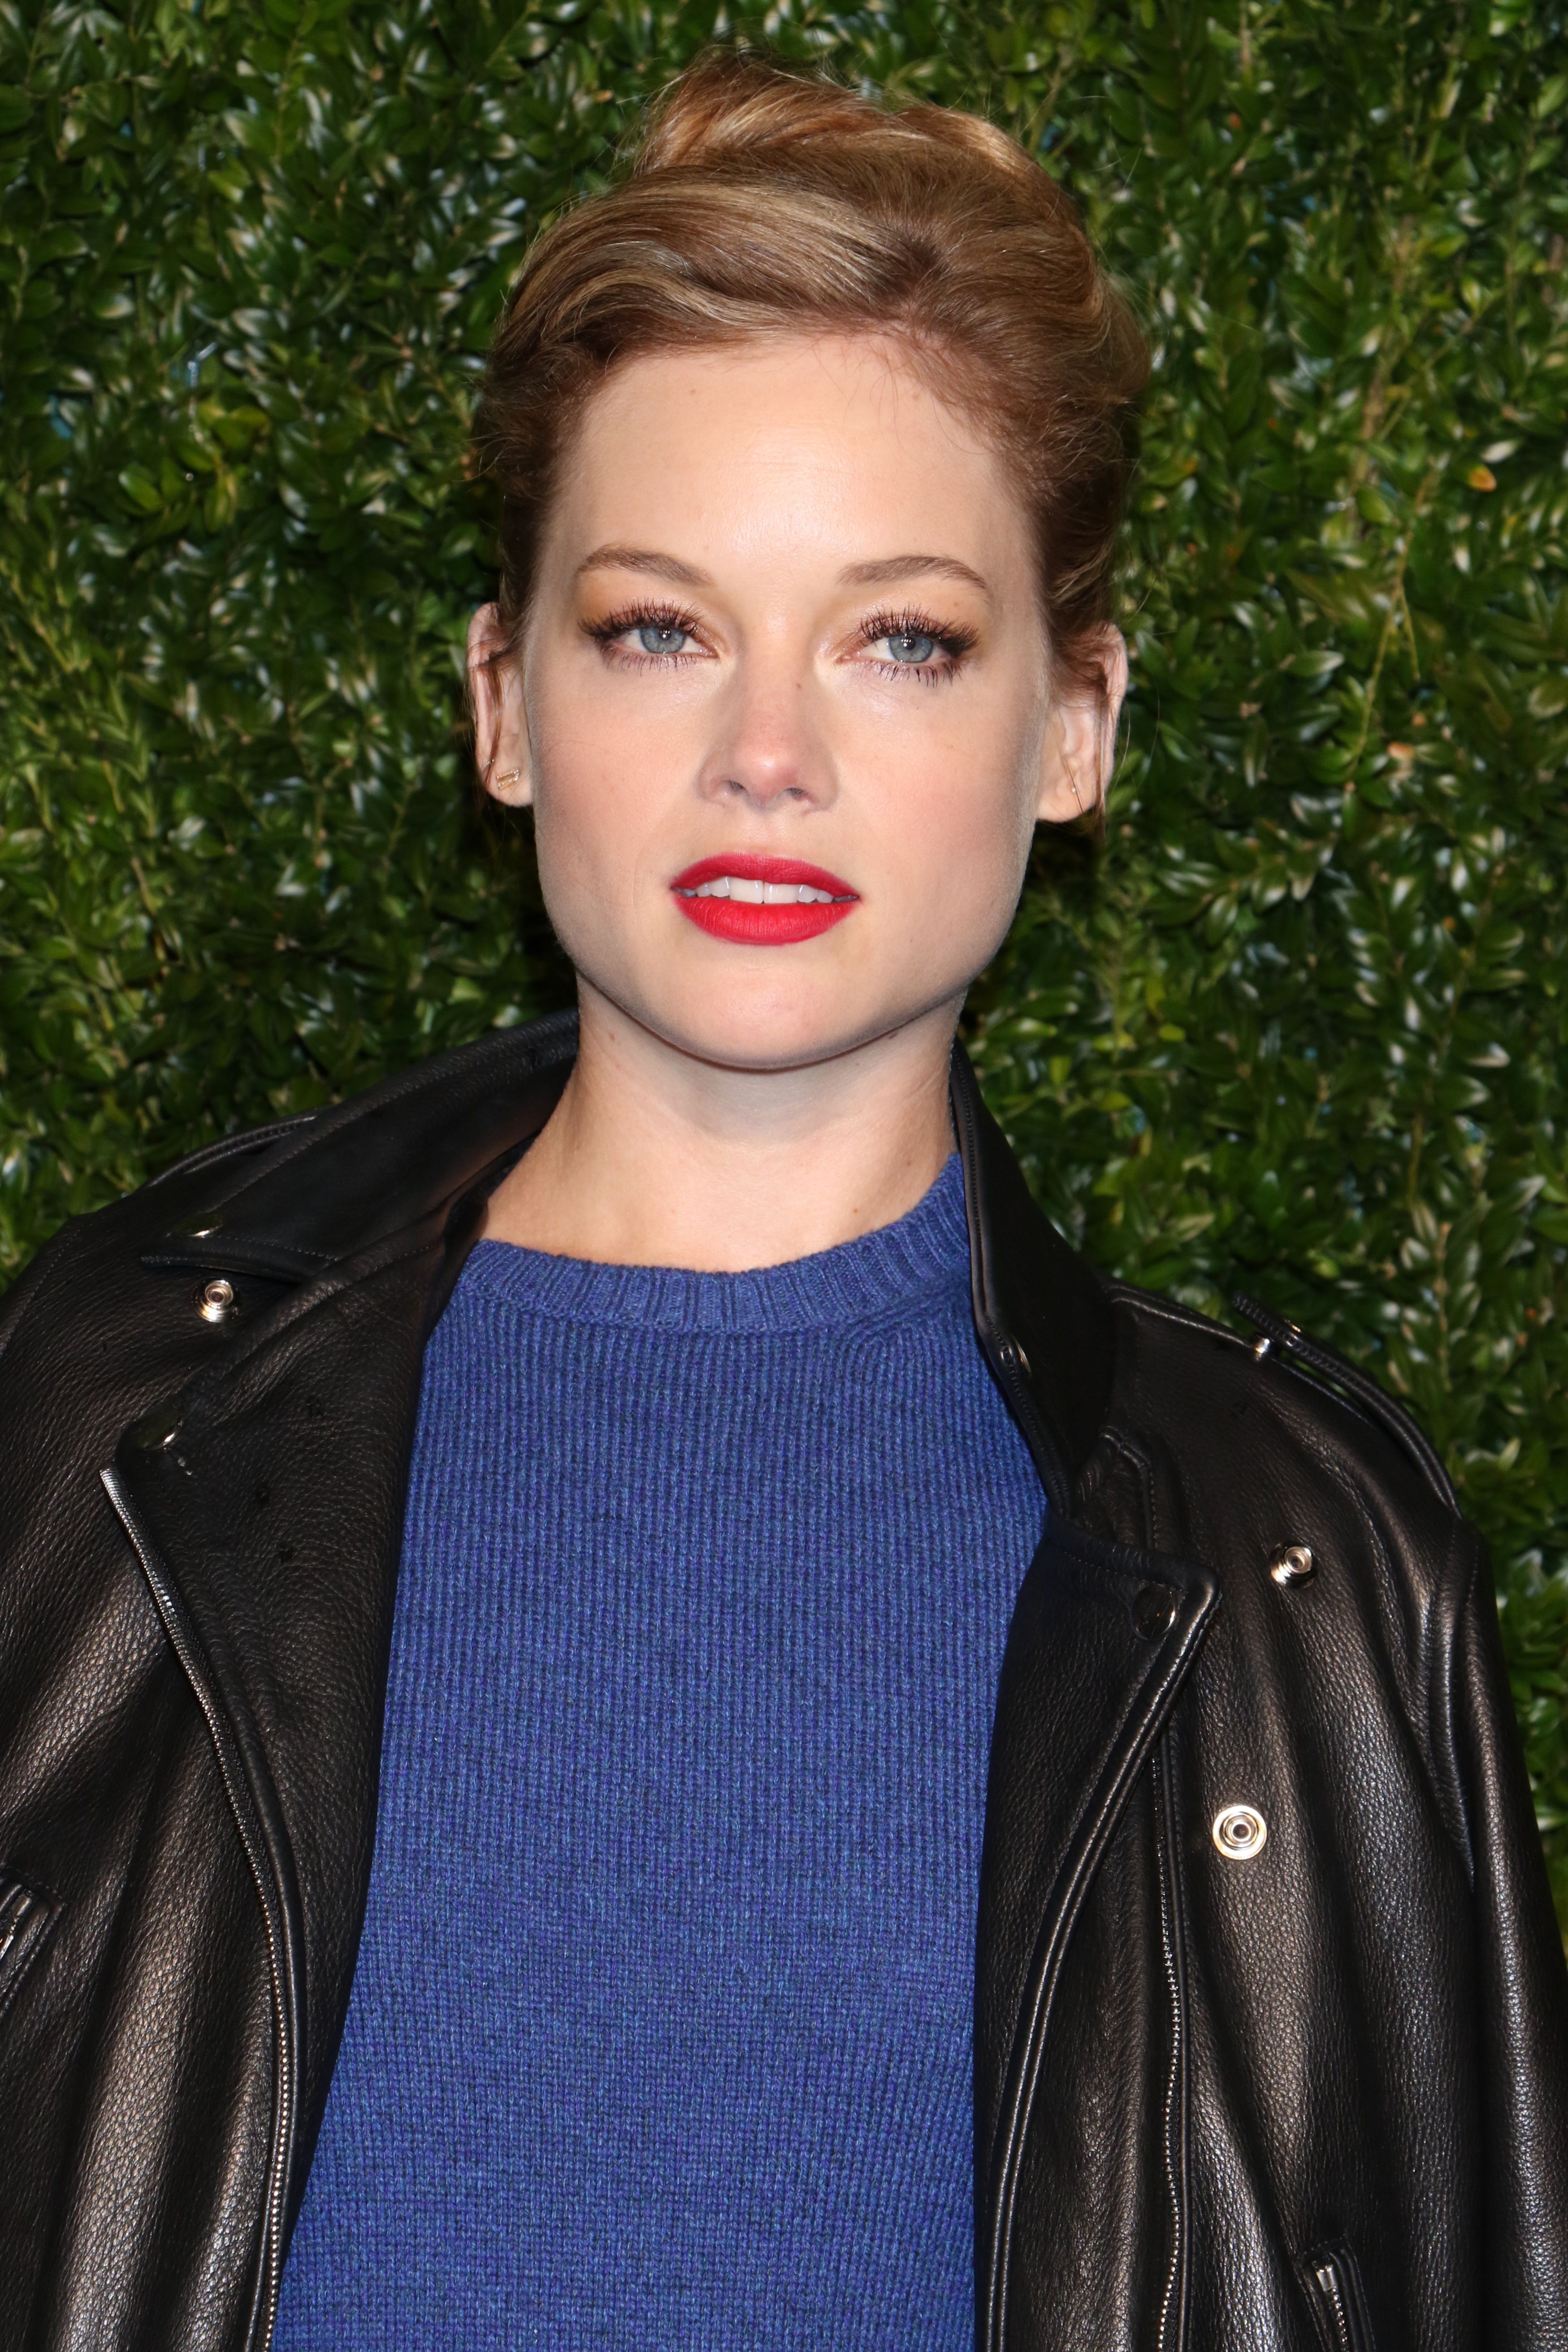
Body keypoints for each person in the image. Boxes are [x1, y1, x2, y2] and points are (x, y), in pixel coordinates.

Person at [0, 48, 1563, 2352]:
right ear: (499, 702)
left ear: (1074, 726)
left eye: (899, 638)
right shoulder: (85, 1428)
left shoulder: (1310, 1571)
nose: (766, 754)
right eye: (657, 626)